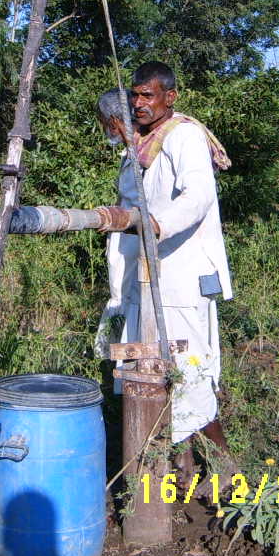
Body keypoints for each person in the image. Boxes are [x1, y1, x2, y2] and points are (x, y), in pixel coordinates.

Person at [95, 63, 236, 483]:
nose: (139, 104)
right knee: (152, 371)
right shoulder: (141, 146)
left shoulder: (183, 136)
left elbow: (198, 197)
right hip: (148, 277)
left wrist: (155, 224)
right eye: (135, 96)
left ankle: (226, 470)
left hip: (180, 276)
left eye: (147, 96)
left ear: (169, 97)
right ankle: (180, 465)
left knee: (189, 371)